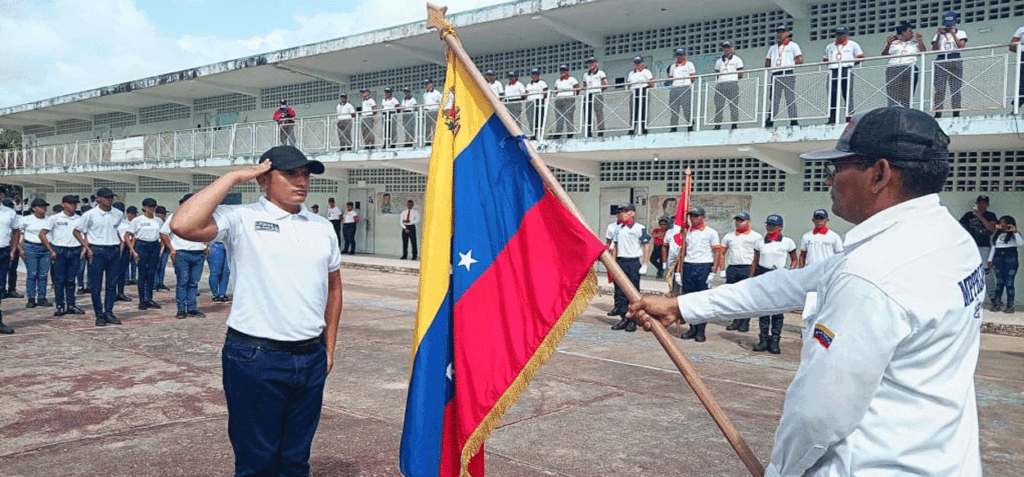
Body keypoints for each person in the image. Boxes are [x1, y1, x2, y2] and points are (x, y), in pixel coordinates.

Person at [630, 107, 982, 477]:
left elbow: (818, 416)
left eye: (838, 168)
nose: (829, 180)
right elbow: (788, 284)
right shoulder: (949, 239)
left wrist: (780, 471)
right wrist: (682, 306)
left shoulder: (872, 275)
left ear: (879, 174)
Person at [169, 145, 342, 477]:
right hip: (256, 356)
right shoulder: (241, 218)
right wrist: (233, 177)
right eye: (290, 174)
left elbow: (334, 288)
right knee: (257, 461)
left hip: (309, 357)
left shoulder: (321, 226)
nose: (301, 182)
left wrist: (329, 347)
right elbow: (183, 224)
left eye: (305, 175)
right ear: (263, 179)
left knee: (296, 459)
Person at [73, 187, 125, 327]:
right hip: (97, 250)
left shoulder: (118, 213)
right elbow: (76, 231)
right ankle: (99, 314)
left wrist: (120, 244)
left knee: (112, 284)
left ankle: (109, 311)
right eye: (106, 197)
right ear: (98, 199)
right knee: (96, 285)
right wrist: (87, 247)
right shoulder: (90, 214)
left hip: (113, 249)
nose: (109, 200)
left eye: (111, 197)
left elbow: (116, 230)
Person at [750, 214, 798, 353]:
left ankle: (775, 339)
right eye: (769, 225)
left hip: (779, 275)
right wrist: (751, 277)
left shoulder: (787, 242)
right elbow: (755, 261)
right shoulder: (760, 242)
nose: (770, 227)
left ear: (781, 227)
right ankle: (763, 339)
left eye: (774, 225)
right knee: (764, 308)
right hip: (763, 274)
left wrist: (790, 272)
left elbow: (794, 259)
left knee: (778, 310)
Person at [672, 206, 720, 342]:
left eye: (697, 216)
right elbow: (682, 253)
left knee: (702, 300)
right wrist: (678, 272)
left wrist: (713, 272)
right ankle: (692, 328)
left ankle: (701, 330)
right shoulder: (687, 232)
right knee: (689, 300)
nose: (694, 218)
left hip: (703, 266)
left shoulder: (711, 232)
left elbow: (717, 253)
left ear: (703, 216)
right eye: (691, 216)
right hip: (689, 266)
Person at [161, 193, 208, 319]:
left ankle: (192, 308)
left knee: (194, 282)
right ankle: (181, 309)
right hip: (182, 253)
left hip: (198, 253)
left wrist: (206, 245)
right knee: (183, 282)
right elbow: (164, 233)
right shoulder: (175, 217)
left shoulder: (202, 216)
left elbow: (207, 231)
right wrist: (171, 248)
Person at [40, 195, 85, 317]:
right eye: (70, 203)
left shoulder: (79, 218)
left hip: (75, 250)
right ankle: (60, 305)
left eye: (75, 203)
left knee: (71, 280)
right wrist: (51, 250)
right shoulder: (55, 218)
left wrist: (84, 248)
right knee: (59, 280)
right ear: (63, 204)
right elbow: (42, 234)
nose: (73, 206)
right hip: (60, 250)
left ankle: (71, 304)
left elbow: (84, 234)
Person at [609, 203, 651, 332]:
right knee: (620, 292)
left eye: (625, 211)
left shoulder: (639, 228)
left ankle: (633, 321)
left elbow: (646, 246)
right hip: (621, 261)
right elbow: (615, 246)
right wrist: (613, 263)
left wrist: (645, 264)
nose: (622, 213)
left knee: (633, 293)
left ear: (632, 213)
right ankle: (624, 318)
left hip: (633, 262)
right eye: (621, 211)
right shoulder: (618, 228)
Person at [718, 212, 762, 331]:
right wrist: (722, 269)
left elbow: (759, 255)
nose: (738, 223)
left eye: (742, 220)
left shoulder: (756, 236)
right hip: (733, 267)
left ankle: (745, 322)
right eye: (737, 220)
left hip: (748, 267)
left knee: (747, 297)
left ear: (748, 222)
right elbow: (722, 253)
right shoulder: (729, 236)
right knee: (733, 296)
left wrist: (755, 271)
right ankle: (735, 321)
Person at [960, 195, 998, 306]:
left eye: (984, 203)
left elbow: (991, 229)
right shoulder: (968, 215)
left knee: (986, 272)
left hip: (983, 247)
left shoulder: (991, 215)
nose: (982, 205)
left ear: (987, 204)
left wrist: (979, 216)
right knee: (968, 272)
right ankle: (969, 298)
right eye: (980, 202)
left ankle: (993, 298)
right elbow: (960, 228)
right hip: (969, 246)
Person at [823, 26, 865, 124]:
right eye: (838, 34)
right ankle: (832, 118)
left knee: (847, 94)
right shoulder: (830, 46)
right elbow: (825, 59)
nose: (840, 36)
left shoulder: (852, 44)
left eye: (842, 34)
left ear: (846, 35)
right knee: (833, 95)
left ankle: (849, 117)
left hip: (846, 69)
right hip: (833, 70)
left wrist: (851, 64)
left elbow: (860, 57)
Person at [127, 198, 163, 311]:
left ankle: (149, 298)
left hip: (154, 245)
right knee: (142, 274)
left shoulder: (158, 221)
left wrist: (161, 249)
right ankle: (142, 300)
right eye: (149, 206)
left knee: (151, 273)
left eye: (153, 207)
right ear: (144, 207)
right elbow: (128, 235)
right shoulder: (137, 220)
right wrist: (132, 250)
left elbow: (163, 235)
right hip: (142, 245)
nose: (151, 209)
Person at [764, 25, 802, 127]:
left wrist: (789, 63)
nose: (780, 34)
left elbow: (799, 59)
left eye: (783, 32)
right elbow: (767, 62)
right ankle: (771, 119)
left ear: (787, 33)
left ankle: (793, 120)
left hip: (787, 73)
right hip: (775, 73)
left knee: (790, 98)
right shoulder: (773, 48)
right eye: (779, 32)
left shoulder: (793, 45)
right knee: (774, 99)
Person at [882, 22, 926, 108]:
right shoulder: (893, 43)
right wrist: (888, 44)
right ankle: (893, 110)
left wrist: (920, 41)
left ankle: (906, 109)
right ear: (903, 32)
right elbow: (884, 55)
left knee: (907, 93)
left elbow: (923, 52)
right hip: (894, 67)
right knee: (893, 93)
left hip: (910, 67)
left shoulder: (915, 43)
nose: (912, 33)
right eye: (909, 31)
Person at [932, 11, 967, 118]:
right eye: (947, 25)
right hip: (941, 58)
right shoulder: (939, 34)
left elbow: (961, 46)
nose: (948, 27)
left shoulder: (961, 33)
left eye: (950, 25)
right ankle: (938, 111)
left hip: (954, 57)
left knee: (955, 87)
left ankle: (956, 112)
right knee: (939, 87)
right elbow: (934, 48)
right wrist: (938, 36)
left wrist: (953, 34)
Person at [20, 198, 52, 308]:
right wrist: (20, 248)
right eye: (40, 206)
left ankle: (42, 297)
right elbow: (19, 234)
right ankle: (31, 298)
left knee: (43, 275)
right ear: (34, 208)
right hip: (31, 247)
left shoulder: (49, 219)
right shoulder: (26, 219)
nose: (43, 208)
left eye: (45, 206)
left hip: (45, 249)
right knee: (32, 274)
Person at [987, 216, 1021, 313]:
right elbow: (993, 247)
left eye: (1005, 223)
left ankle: (1010, 306)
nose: (1002, 225)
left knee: (1009, 282)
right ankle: (997, 304)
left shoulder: (1014, 235)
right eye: (1001, 222)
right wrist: (990, 260)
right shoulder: (997, 234)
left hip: (1010, 257)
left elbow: (1020, 243)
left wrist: (1015, 232)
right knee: (999, 282)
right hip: (998, 257)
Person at [713, 42, 744, 130]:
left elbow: (740, 74)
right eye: (724, 48)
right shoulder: (719, 61)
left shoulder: (737, 59)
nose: (726, 49)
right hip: (721, 85)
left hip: (732, 84)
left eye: (728, 47)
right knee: (718, 106)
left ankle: (734, 125)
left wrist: (731, 78)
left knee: (733, 105)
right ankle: (717, 125)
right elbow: (717, 74)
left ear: (732, 48)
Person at [0, 193, 17, 334]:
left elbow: (16, 231)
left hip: (3, 251)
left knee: (0, 287)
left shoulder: (9, 213)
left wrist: (13, 249)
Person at [668, 48, 696, 132]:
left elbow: (693, 77)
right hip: (675, 88)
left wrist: (686, 82)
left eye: (681, 55)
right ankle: (673, 127)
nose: (679, 57)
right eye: (678, 55)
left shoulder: (689, 64)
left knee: (686, 108)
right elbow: (670, 77)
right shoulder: (673, 66)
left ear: (684, 55)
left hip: (685, 87)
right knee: (674, 109)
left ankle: (690, 125)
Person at [627, 56, 654, 134]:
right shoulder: (631, 73)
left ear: (642, 63)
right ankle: (631, 130)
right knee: (633, 112)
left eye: (639, 63)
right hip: (634, 91)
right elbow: (629, 83)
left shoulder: (646, 71)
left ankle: (644, 130)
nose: (637, 64)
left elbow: (651, 82)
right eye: (636, 63)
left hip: (643, 90)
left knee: (643, 111)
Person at [113, 203, 135, 303]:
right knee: (114, 273)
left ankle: (119, 292)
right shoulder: (122, 223)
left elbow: (129, 238)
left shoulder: (125, 224)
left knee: (121, 272)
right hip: (114, 248)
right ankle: (115, 293)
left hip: (123, 249)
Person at [582, 57, 609, 137]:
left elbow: (605, 83)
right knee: (587, 114)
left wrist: (600, 90)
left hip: (597, 93)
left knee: (599, 113)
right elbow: (584, 85)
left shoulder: (601, 73)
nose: (591, 64)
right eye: (589, 63)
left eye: (592, 63)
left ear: (596, 64)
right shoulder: (585, 75)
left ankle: (600, 131)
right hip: (588, 94)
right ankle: (588, 131)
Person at [551, 65, 579, 138]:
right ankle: (558, 133)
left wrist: (573, 97)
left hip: (569, 99)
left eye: (564, 70)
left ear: (567, 72)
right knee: (559, 117)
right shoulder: (557, 81)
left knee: (568, 116)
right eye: (561, 71)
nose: (563, 72)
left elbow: (577, 88)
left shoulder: (572, 79)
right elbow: (556, 90)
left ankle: (570, 133)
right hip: (559, 100)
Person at [525, 68, 549, 137]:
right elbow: (526, 93)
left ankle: (539, 133)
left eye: (536, 75)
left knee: (539, 118)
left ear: (539, 76)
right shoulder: (529, 84)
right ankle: (533, 134)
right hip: (530, 102)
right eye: (533, 75)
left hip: (539, 101)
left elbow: (546, 92)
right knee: (531, 119)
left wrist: (542, 99)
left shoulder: (542, 83)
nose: (535, 76)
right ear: (531, 76)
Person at [208, 235, 230, 303]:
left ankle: (222, 294)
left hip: (229, 245)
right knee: (215, 271)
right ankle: (215, 294)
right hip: (215, 244)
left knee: (226, 271)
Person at [154, 205, 171, 292]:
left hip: (165, 246)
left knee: (162, 265)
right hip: (159, 245)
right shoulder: (157, 221)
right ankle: (156, 282)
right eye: (162, 213)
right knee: (157, 265)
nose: (164, 215)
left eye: (164, 213)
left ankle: (160, 282)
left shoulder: (164, 222)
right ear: (157, 214)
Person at [1010, 25, 1024, 112]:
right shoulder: (1022, 30)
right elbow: (1012, 46)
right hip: (1023, 55)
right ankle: (1016, 107)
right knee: (1022, 82)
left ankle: (1016, 107)